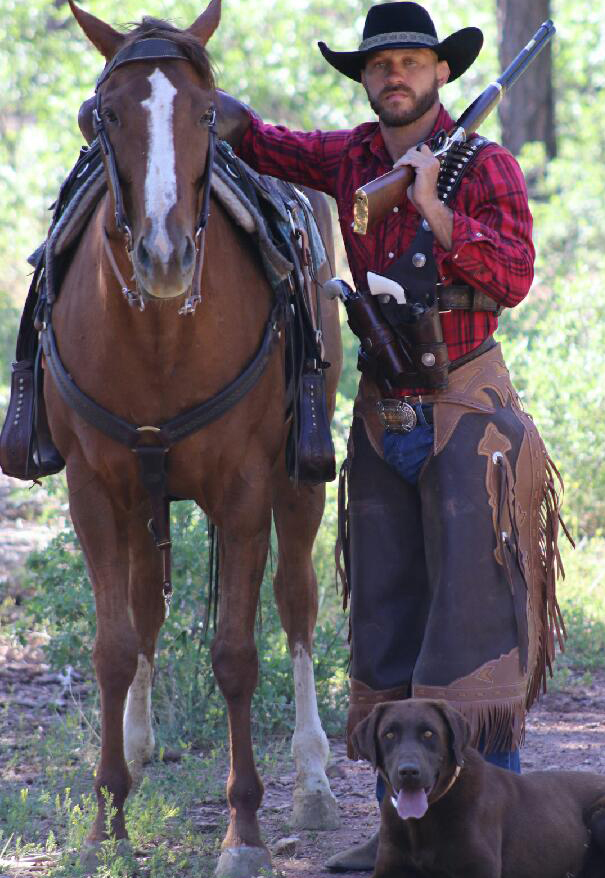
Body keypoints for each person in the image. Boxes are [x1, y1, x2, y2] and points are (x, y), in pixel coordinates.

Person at [78, 2, 565, 871]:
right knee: (383, 618)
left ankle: (499, 830)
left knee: (472, 629)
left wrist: (427, 204)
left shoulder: (480, 163)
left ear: (439, 74)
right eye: (379, 65)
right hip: (381, 412)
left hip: (463, 409)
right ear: (365, 79)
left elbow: (512, 274)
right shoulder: (346, 158)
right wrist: (187, 89)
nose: (395, 76)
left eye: (411, 63)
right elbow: (259, 143)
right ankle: (403, 835)